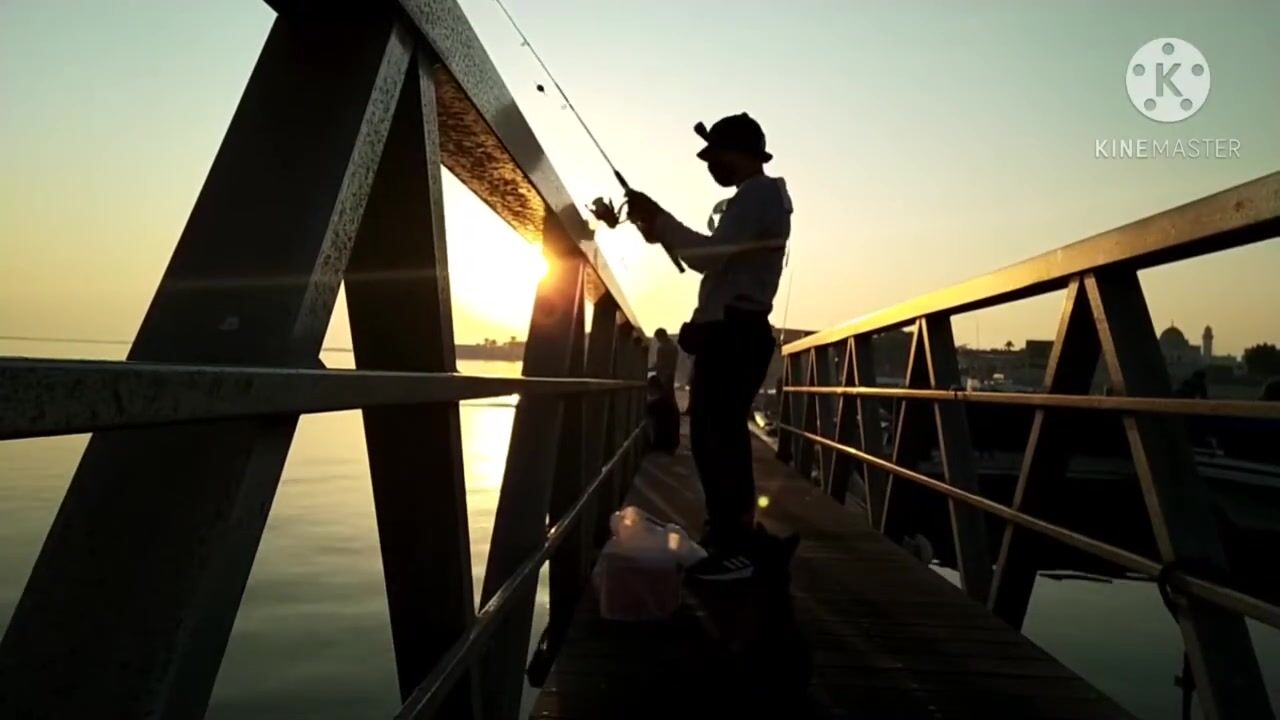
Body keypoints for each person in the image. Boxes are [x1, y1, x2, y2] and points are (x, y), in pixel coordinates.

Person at [622, 112, 794, 582]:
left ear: (736, 154)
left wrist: (660, 219)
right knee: (719, 438)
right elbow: (720, 264)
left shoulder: (758, 194)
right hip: (734, 333)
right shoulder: (759, 198)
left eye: (714, 158)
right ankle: (739, 538)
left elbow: (705, 257)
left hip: (735, 337)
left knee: (717, 441)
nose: (710, 167)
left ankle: (737, 548)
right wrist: (655, 225)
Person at [646, 375, 681, 454]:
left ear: (653, 388)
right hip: (673, 444)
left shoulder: (656, 404)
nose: (648, 392)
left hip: (664, 445)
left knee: (647, 420)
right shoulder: (668, 399)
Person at [651, 327, 681, 404]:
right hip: (670, 374)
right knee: (670, 395)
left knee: (663, 395)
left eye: (657, 338)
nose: (657, 340)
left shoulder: (662, 347)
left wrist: (650, 369)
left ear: (660, 337)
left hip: (663, 375)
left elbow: (660, 363)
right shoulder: (673, 346)